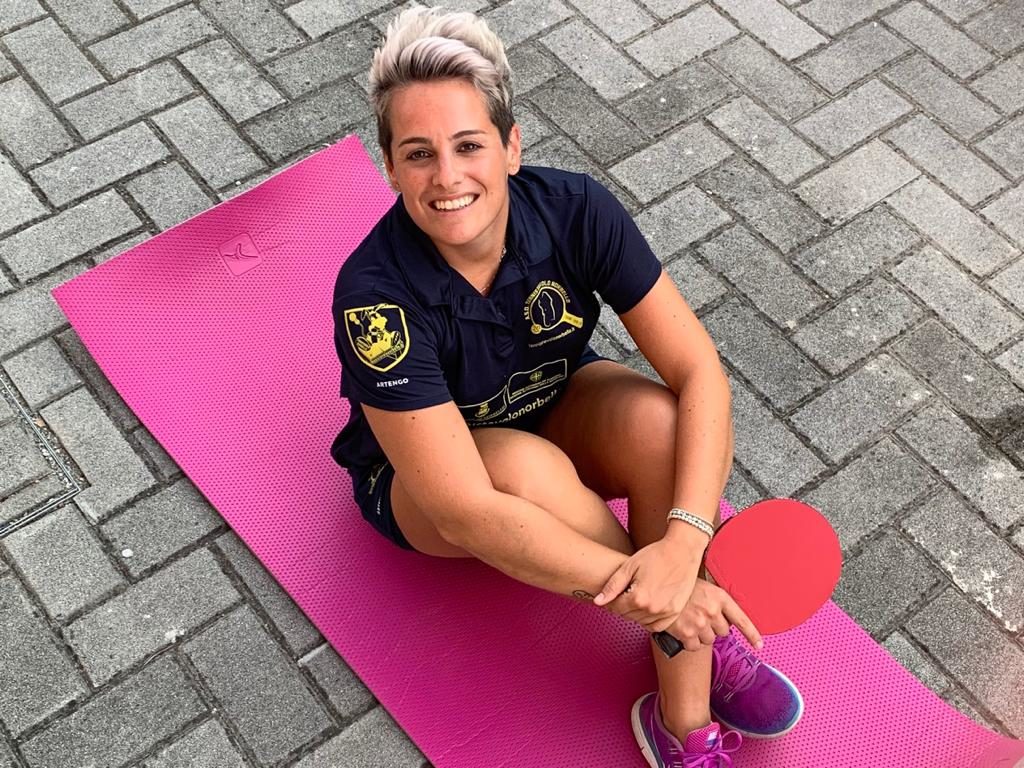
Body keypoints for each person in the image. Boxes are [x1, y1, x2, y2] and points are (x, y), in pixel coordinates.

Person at [330, 6, 803, 764]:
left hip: (551, 398)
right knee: (526, 470)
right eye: (418, 154)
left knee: (660, 422)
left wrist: (685, 540)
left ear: (512, 147)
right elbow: (464, 510)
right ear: (389, 167)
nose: (447, 177)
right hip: (426, 480)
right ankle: (691, 644)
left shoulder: (577, 210)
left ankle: (679, 721)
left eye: (468, 145)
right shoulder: (374, 297)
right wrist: (669, 595)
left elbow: (699, 372)